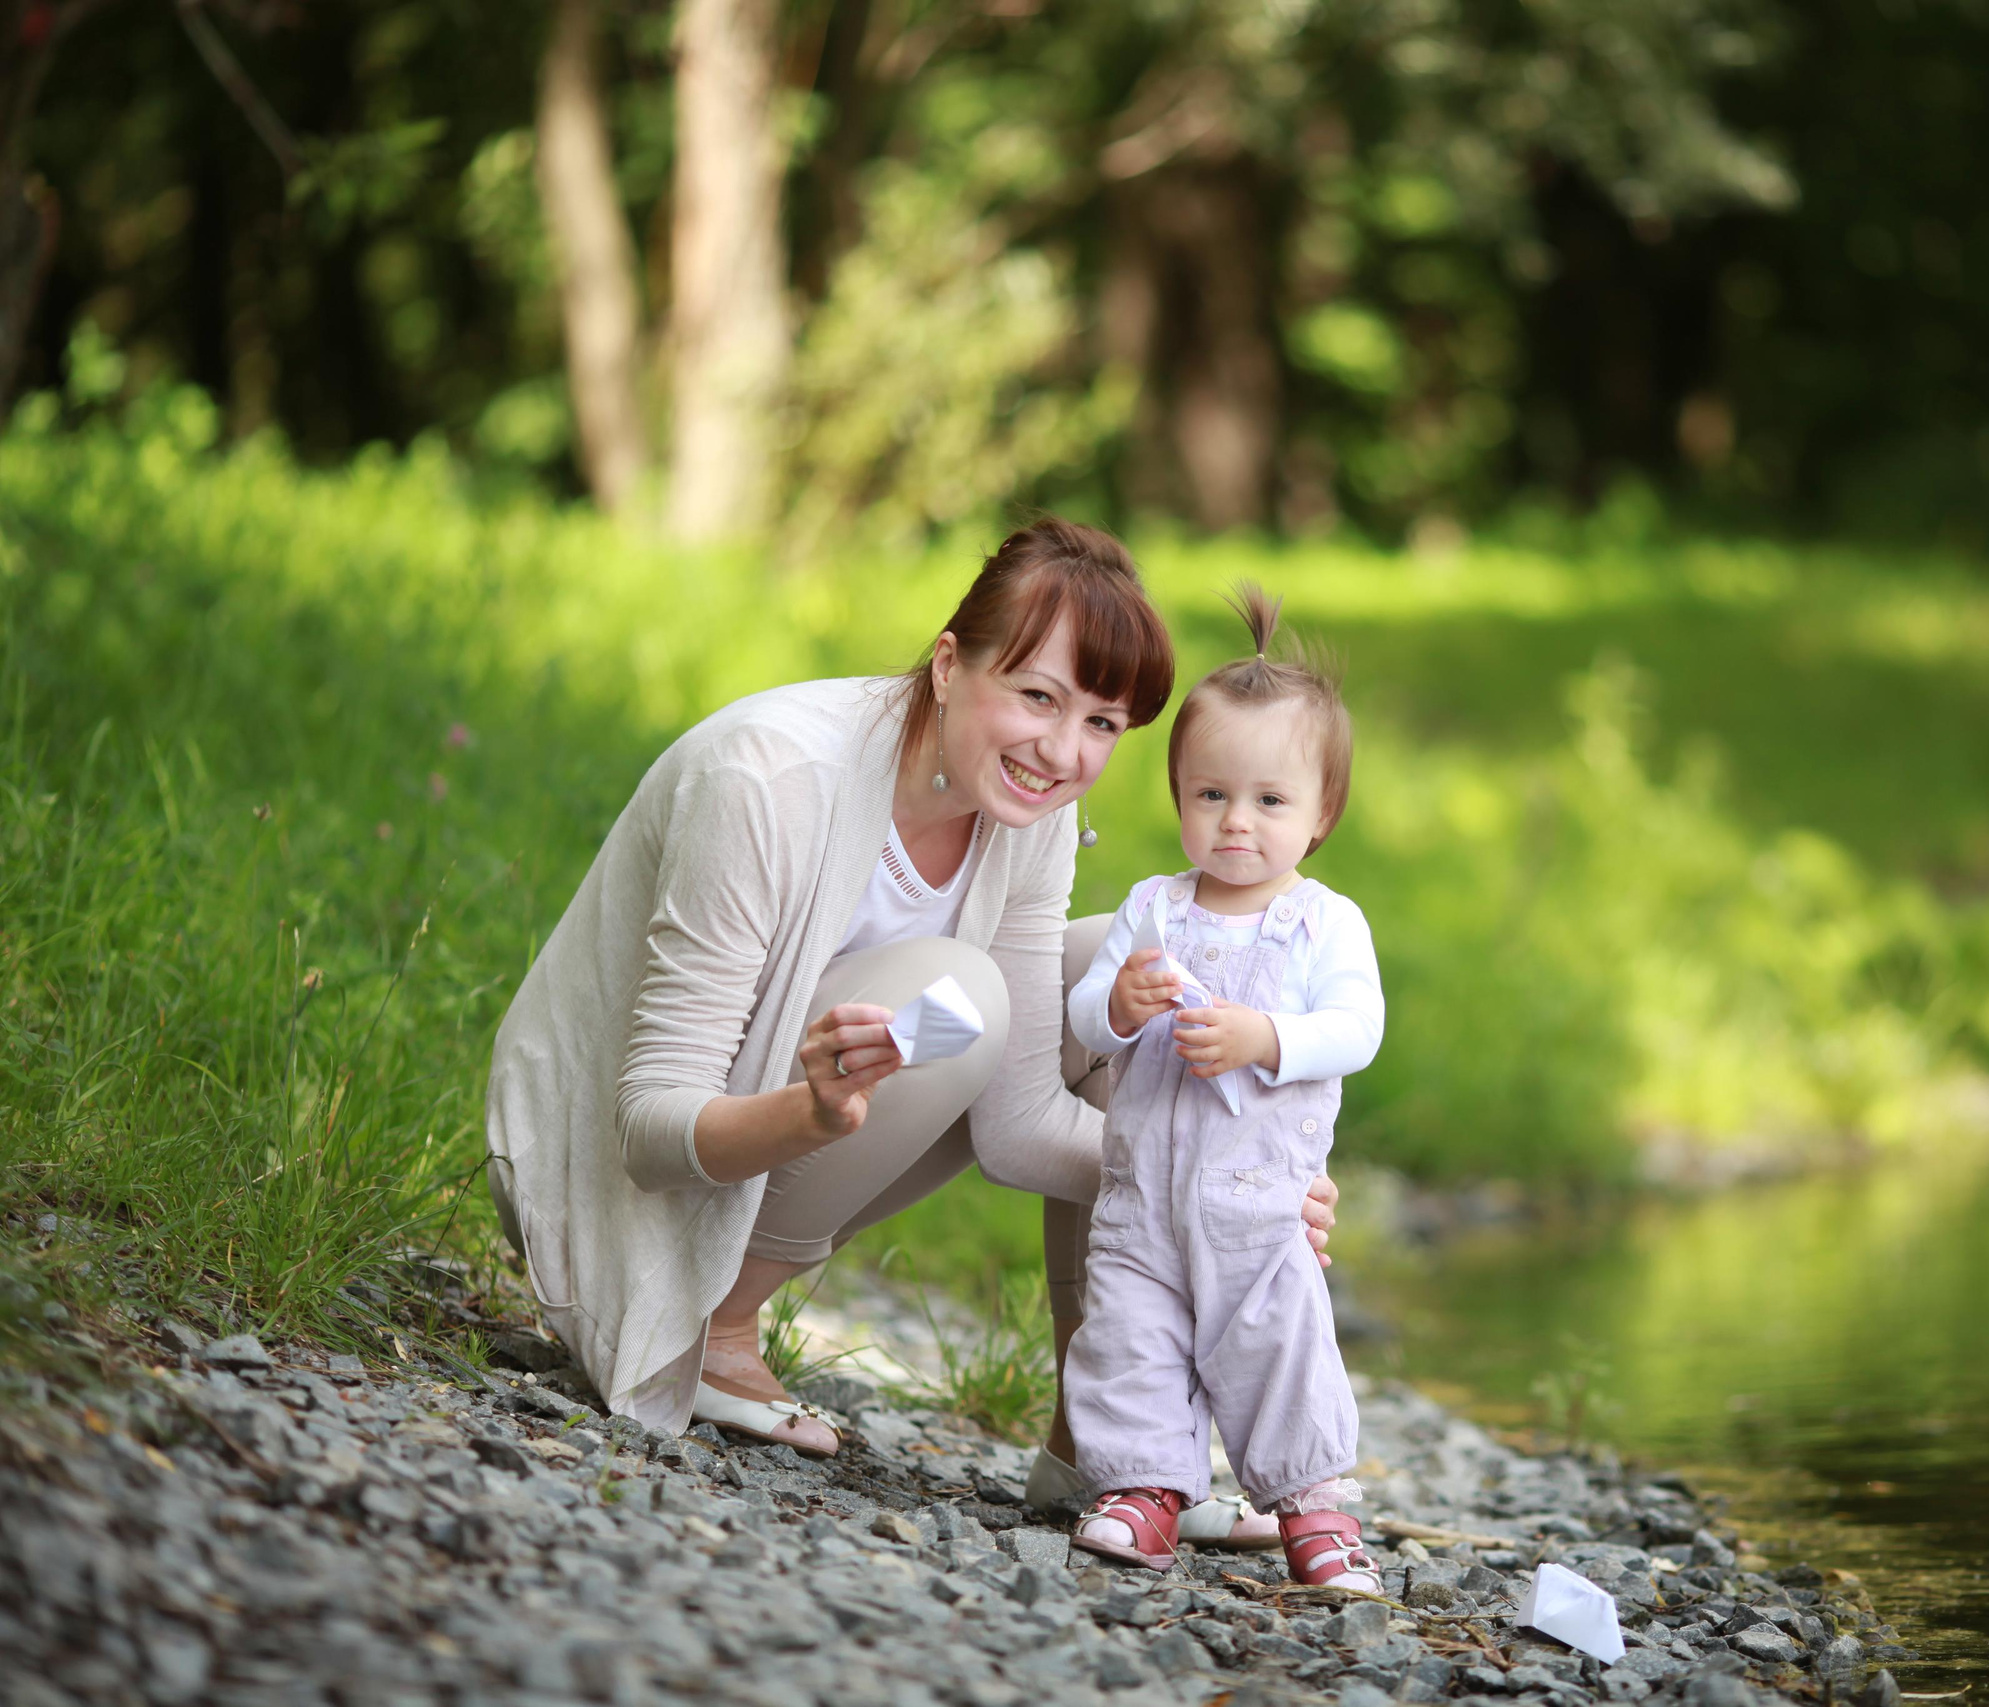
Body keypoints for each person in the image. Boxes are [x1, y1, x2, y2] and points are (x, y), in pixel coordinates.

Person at [481, 523, 1334, 1553]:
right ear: (946, 663)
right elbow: (647, 1131)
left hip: (794, 1131)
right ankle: (720, 1321)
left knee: (1126, 972)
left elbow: (1019, 1129)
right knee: (958, 985)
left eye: (1104, 723)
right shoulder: (769, 777)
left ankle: (1113, 1448)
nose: (1065, 754)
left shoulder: (1032, 813)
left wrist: (1240, 1184)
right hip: (616, 1176)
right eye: (1036, 696)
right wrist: (805, 1112)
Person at [1057, 586, 1386, 1590]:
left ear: (1320, 815)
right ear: (1179, 797)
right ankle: (1146, 1489)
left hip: (1257, 1205)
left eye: (1270, 801)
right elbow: (1079, 1027)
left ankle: (1312, 1511)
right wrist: (1118, 1000)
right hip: (1143, 1196)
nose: (1235, 823)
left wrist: (1263, 1037)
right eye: (1210, 796)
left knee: (1278, 1347)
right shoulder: (1154, 908)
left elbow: (1358, 1031)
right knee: (1128, 1333)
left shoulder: (1325, 924)